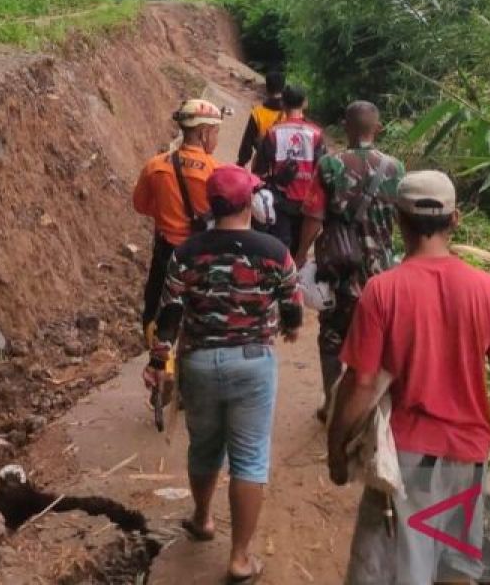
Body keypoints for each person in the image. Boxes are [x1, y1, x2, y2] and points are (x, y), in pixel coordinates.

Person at [327, 171, 490, 585]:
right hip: (468, 457)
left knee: (395, 569)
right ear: (456, 220)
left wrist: (337, 447)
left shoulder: (383, 291)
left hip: (409, 458)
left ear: (399, 219)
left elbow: (361, 383)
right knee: (456, 566)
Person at [144, 165, 302, 584]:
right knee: (249, 458)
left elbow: (169, 317)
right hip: (252, 363)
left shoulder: (187, 253)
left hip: (199, 362)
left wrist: (158, 363)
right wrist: (288, 325)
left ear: (211, 205)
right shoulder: (274, 251)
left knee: (204, 447)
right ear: (248, 201)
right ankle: (239, 557)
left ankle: (202, 518)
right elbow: (293, 308)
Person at [294, 101, 405, 416]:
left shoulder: (330, 165)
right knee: (381, 337)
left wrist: (300, 255)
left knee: (332, 337)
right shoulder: (396, 168)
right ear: (378, 129)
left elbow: (314, 216)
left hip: (341, 269)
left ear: (346, 126)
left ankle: (333, 403)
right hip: (383, 271)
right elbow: (403, 217)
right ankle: (374, 406)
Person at [132, 99, 222, 340]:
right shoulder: (215, 172)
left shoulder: (155, 165)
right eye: (215, 132)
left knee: (156, 307)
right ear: (204, 133)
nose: (216, 138)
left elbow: (140, 205)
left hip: (165, 251)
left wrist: (167, 212)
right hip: (201, 255)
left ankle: (159, 361)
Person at [255, 85, 326, 250]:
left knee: (280, 249)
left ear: (282, 104)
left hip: (281, 202)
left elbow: (260, 171)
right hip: (307, 204)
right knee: (299, 250)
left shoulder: (272, 133)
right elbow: (321, 170)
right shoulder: (316, 134)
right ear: (305, 103)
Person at [236, 70, 286, 170]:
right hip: (283, 165)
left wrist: (240, 163)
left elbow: (247, 142)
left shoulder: (258, 113)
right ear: (283, 88)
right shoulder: (289, 114)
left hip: (261, 163)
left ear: (266, 88)